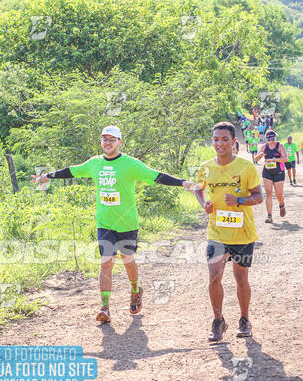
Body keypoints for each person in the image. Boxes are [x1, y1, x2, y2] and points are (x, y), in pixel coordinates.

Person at [31, 125, 192, 323]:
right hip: (104, 223)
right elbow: (72, 171)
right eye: (104, 138)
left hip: (127, 223)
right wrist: (47, 176)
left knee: (128, 260)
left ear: (119, 142)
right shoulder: (94, 163)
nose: (107, 142)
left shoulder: (131, 164)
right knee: (106, 262)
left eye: (112, 139)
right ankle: (105, 308)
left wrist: (182, 182)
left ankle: (135, 290)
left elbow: (156, 176)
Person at [194, 121, 263, 342]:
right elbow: (198, 189)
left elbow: (259, 196)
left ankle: (244, 319)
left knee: (240, 277)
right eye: (216, 139)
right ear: (212, 141)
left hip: (242, 233)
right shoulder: (205, 167)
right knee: (214, 277)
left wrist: (239, 200)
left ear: (234, 142)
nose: (220, 144)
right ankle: (218, 321)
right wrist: (204, 203)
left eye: (225, 139)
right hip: (217, 233)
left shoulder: (246, 167)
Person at [255, 129, 288, 223]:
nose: (271, 142)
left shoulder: (280, 146)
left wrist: (274, 159)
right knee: (269, 193)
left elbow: (285, 159)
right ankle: (269, 216)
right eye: (269, 140)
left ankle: (281, 204)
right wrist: (260, 155)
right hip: (267, 172)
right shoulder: (264, 147)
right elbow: (256, 159)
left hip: (279, 173)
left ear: (275, 138)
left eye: (272, 139)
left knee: (279, 195)